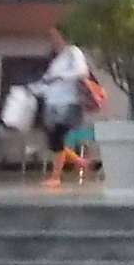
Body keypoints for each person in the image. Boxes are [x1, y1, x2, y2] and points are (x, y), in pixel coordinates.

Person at [34, 27, 91, 190]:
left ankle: (56, 177)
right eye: (50, 36)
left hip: (67, 103)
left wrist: (61, 76)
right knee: (53, 140)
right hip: (53, 104)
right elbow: (48, 81)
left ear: (63, 36)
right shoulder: (57, 58)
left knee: (57, 137)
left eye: (55, 35)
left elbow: (82, 71)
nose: (52, 39)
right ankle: (79, 161)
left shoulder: (73, 52)